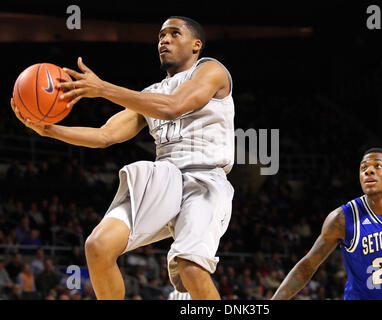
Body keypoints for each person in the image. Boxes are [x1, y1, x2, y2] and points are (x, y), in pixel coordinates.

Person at [11, 16, 234, 300]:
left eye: (174, 34)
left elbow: (174, 106)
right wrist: (49, 130)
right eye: (160, 36)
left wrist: (103, 89)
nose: (164, 40)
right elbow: (105, 135)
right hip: (165, 177)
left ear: (196, 45)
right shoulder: (149, 94)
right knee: (98, 246)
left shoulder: (211, 70)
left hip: (204, 178)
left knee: (190, 269)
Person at [272, 148, 382, 300]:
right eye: (364, 168)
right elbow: (307, 266)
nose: (369, 171)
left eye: (377, 166)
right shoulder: (342, 218)